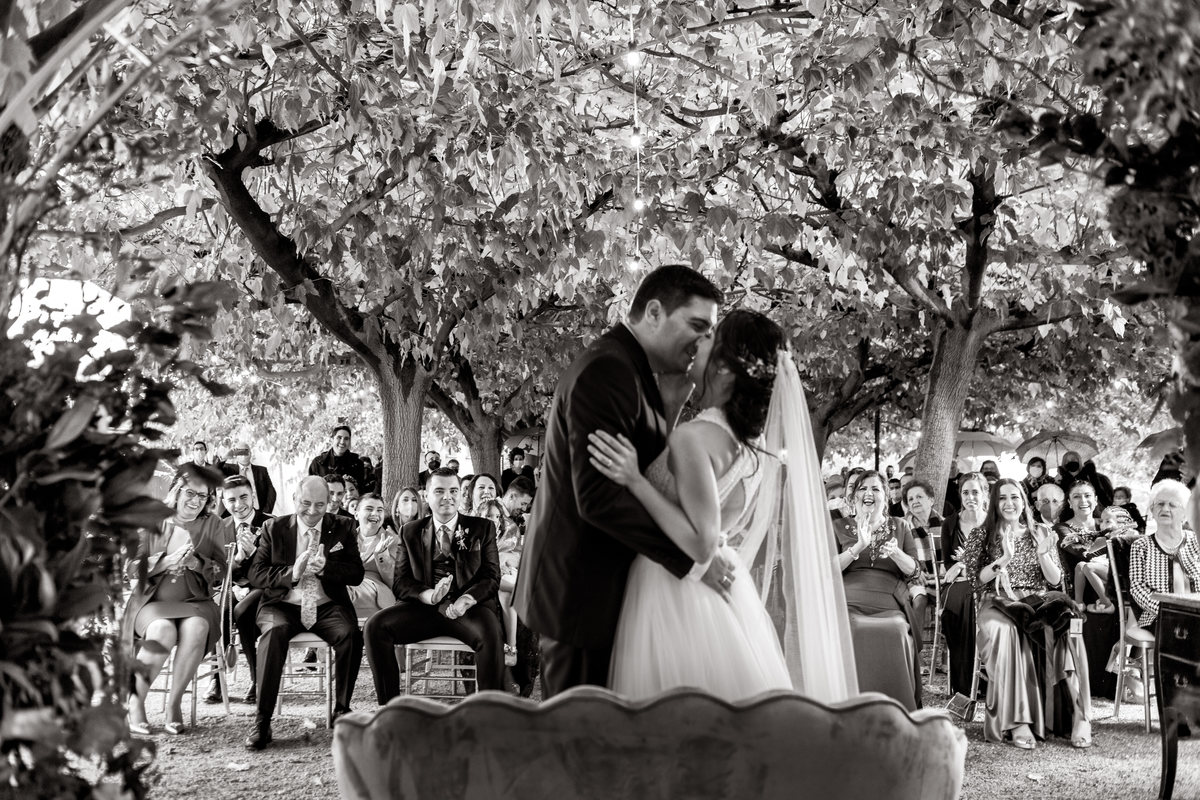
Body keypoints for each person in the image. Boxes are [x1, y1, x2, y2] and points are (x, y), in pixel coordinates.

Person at [589, 309, 857, 702]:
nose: (699, 342)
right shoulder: (749, 450)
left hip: (671, 590)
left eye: (711, 338)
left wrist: (633, 479)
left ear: (728, 370)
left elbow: (700, 541)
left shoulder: (695, 438)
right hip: (721, 595)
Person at [513, 265, 734, 697]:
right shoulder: (608, 371)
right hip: (580, 595)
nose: (703, 341)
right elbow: (598, 497)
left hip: (608, 594)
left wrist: (671, 407)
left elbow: (653, 469)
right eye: (696, 325)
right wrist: (693, 561)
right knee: (580, 735)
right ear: (653, 312)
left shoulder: (637, 372)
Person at [961, 478, 1091, 749]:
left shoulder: (1041, 531)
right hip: (996, 601)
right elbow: (976, 580)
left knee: (1070, 624)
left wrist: (1044, 555)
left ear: (1024, 501)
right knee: (1006, 629)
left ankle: (1080, 716)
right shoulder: (981, 535)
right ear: (994, 502)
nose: (1009, 503)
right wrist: (1004, 558)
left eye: (1014, 497)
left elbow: (1055, 580)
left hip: (1037, 600)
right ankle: (1018, 721)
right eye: (1002, 498)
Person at [243, 476, 364, 750]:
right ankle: (262, 721)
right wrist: (292, 573)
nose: (312, 511)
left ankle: (342, 711)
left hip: (327, 605)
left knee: (351, 636)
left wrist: (326, 568)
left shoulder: (343, 526)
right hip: (282, 604)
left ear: (329, 503)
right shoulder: (273, 528)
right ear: (295, 499)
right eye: (306, 503)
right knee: (272, 635)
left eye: (320, 505)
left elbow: (356, 574)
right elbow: (256, 573)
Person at [363, 468, 505, 700]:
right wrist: (429, 595)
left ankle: (491, 712)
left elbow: (491, 577)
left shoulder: (482, 528)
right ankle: (390, 709)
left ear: (461, 495)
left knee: (492, 633)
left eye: (453, 491)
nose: (447, 497)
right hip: (423, 610)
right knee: (374, 627)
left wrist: (466, 599)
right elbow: (401, 583)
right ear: (427, 496)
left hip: (469, 611)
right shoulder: (410, 532)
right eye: (439, 491)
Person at [125, 464, 227, 735]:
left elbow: (222, 571)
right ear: (177, 490)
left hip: (196, 602)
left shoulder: (213, 524)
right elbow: (131, 568)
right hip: (152, 603)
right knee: (162, 629)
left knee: (197, 627)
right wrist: (163, 562)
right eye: (190, 493)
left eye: (203, 497)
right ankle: (135, 702)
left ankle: (174, 704)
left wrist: (196, 562)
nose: (196, 501)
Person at [836, 470, 924, 710]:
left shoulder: (901, 526)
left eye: (875, 489)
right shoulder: (838, 526)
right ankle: (852, 707)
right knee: (851, 627)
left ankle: (896, 710)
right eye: (863, 488)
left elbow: (915, 571)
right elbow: (826, 568)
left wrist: (896, 553)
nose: (869, 493)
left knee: (895, 630)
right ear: (854, 497)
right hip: (849, 598)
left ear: (885, 497)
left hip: (888, 601)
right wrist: (858, 547)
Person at [204, 475, 272, 705]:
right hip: (231, 587)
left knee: (242, 612)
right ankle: (216, 678)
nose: (238, 504)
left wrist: (252, 554)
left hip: (263, 588)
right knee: (220, 609)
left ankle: (258, 679)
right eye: (231, 500)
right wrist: (234, 563)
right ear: (223, 500)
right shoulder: (219, 528)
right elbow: (214, 574)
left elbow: (276, 566)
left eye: (243, 497)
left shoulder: (271, 523)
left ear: (253, 495)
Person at [940, 472, 988, 697]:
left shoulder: (992, 522)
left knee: (973, 596)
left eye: (975, 492)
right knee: (962, 600)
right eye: (965, 492)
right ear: (960, 495)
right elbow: (948, 565)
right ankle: (964, 681)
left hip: (986, 583)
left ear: (984, 494)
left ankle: (978, 683)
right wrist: (960, 565)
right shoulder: (950, 523)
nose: (970, 497)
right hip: (957, 586)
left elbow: (992, 562)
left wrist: (964, 564)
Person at [348, 493, 400, 616]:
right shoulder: (345, 538)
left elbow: (396, 582)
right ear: (356, 514)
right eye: (369, 509)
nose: (375, 514)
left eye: (380, 510)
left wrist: (382, 555)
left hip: (375, 592)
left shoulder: (394, 541)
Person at [308, 425, 367, 492]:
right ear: (332, 439)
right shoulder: (318, 463)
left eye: (346, 439)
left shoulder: (357, 464)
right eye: (339, 438)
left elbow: (361, 490)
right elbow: (311, 489)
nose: (342, 442)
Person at [225, 442, 276, 513]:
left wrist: (266, 512)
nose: (243, 454)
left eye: (246, 451)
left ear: (250, 453)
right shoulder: (228, 469)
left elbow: (271, 492)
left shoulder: (262, 470)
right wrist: (225, 457)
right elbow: (214, 470)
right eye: (240, 452)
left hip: (259, 512)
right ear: (236, 455)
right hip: (238, 513)